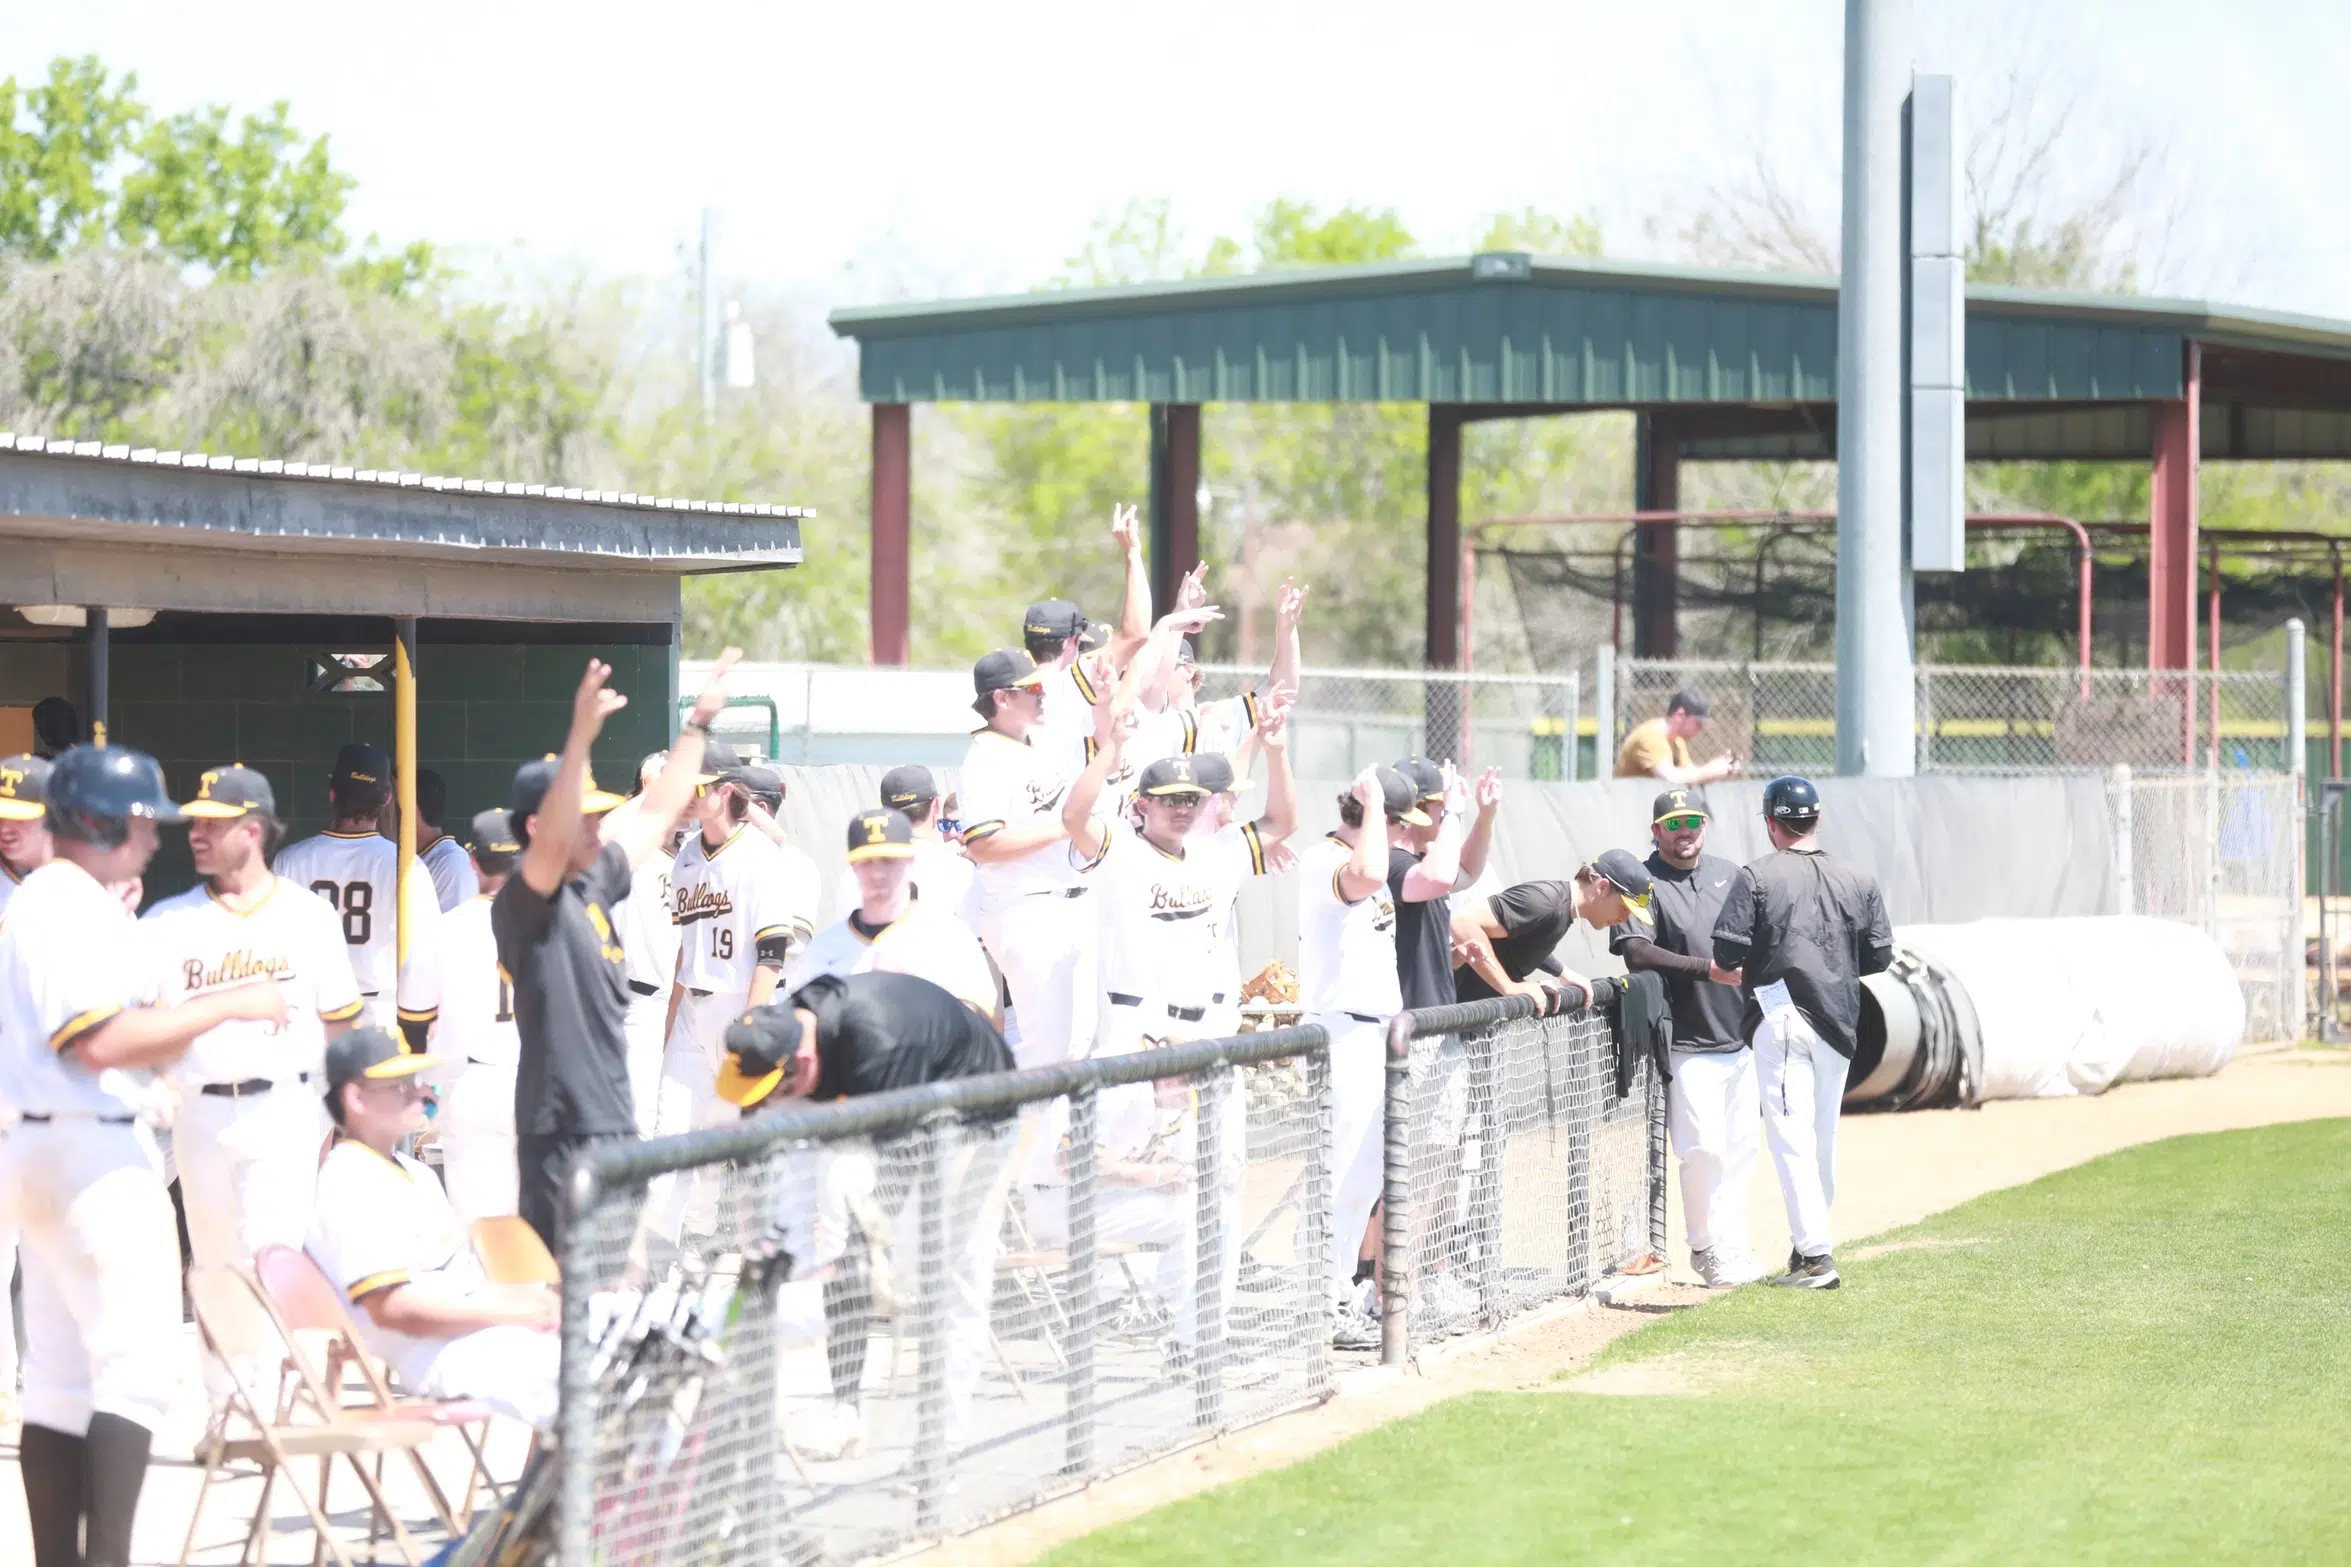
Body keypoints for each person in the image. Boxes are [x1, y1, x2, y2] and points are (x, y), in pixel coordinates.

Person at [0, 744, 287, 1567]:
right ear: (97, 821)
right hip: (86, 1149)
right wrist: (232, 1001)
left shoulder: (63, 898)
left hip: (42, 1144)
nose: (154, 838)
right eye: (140, 822)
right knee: (135, 1372)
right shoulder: (63, 901)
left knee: (58, 1383)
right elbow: (101, 1040)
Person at [492, 651, 739, 1249]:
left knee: (609, 1287)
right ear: (538, 828)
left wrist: (698, 725)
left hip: (610, 1122)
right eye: (586, 816)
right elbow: (553, 839)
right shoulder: (527, 902)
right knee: (566, 1295)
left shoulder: (594, 880)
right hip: (559, 1131)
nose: (599, 825)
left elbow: (657, 810)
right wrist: (580, 737)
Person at [717, 972, 1015, 1462]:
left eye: (774, 1089)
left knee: (950, 1279)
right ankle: (847, 1413)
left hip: (977, 1116)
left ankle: (940, 1454)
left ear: (804, 1063)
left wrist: (871, 1247)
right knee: (842, 1258)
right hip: (896, 1109)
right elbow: (760, 1128)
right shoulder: (786, 1027)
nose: (768, 1100)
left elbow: (900, 1166)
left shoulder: (877, 1041)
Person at [143, 766, 364, 1279]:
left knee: (272, 1269)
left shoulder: (308, 915)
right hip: (199, 1113)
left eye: (213, 824)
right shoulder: (167, 921)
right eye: (195, 823)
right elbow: (147, 1029)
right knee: (217, 1277)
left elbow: (341, 1026)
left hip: (284, 1109)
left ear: (253, 830)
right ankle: (224, 1364)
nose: (196, 834)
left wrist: (335, 1119)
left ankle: (270, 1364)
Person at [306, 1027, 558, 1429]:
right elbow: (396, 1310)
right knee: (595, 1375)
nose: (419, 1094)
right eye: (401, 1085)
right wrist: (513, 1313)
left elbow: (461, 1279)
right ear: (356, 1098)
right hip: (438, 1352)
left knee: (631, 1348)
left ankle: (553, 1490)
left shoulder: (417, 1173)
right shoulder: (347, 1181)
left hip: (478, 1335)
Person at [1710, 775, 1894, 1291]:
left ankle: (1816, 1260)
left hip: (1783, 1018)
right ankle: (1806, 1250)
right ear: (1816, 819)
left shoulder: (1757, 875)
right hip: (1840, 1020)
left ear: (1772, 823)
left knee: (1790, 1141)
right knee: (1820, 1141)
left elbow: (1726, 953)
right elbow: (1879, 956)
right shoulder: (1857, 877)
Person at [650, 740, 818, 1246]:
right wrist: (671, 1017)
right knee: (670, 1132)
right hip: (692, 1010)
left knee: (737, 1140)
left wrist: (753, 1025)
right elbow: (685, 949)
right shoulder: (684, 855)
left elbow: (771, 952)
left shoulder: (759, 856)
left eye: (694, 788)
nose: (685, 797)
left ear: (723, 792)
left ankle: (749, 1249)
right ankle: (661, 1250)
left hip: (739, 1006)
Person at [1610, 790, 1761, 1288]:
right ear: (1656, 831)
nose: (1684, 830)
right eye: (1673, 823)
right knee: (1702, 1150)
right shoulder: (1642, 881)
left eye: (1693, 820)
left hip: (1737, 1036)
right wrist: (1707, 970)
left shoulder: (1730, 874)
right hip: (1684, 1040)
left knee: (1740, 1151)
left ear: (1706, 826)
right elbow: (1635, 950)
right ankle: (1704, 1245)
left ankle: (1731, 1241)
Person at [1297, 766, 1420, 1348]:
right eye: (1400, 825)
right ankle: (1318, 1305)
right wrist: (1374, 809)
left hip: (1373, 1034)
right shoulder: (1327, 859)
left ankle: (1335, 1298)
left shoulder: (1373, 860)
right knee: (1339, 1174)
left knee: (1362, 1176)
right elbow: (1367, 871)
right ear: (1380, 820)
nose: (1405, 838)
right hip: (1340, 1030)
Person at [957, 647, 1094, 1069]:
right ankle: (1003, 1128)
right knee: (1045, 1053)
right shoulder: (985, 759)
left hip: (1073, 903)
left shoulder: (1035, 745)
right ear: (1001, 698)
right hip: (1026, 909)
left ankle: (1064, 1137)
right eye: (1030, 687)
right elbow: (983, 845)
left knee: (1078, 1047)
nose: (1041, 694)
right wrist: (1063, 827)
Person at [274, 742, 442, 1044]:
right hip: (382, 1018)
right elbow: (428, 956)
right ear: (387, 799)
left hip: (312, 1019)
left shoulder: (291, 860)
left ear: (332, 794)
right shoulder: (406, 866)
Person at [788, 808, 995, 1013]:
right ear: (853, 866)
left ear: (910, 861)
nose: (877, 873)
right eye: (867, 862)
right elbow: (800, 1029)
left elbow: (981, 1024)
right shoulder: (823, 950)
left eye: (889, 861)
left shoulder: (950, 936)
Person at [428, 810, 525, 1222]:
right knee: (534, 1224)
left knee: (476, 1230)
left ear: (473, 860)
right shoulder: (555, 919)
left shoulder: (446, 928)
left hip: (472, 1080)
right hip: (537, 1078)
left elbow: (420, 1019)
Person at [0, 753, 54, 1430]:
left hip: (60, 1102)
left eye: (23, 815)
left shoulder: (81, 896)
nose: (8, 827)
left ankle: (46, 1385)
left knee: (51, 1256)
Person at [1450, 851, 1649, 1010]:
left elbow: (1522, 937)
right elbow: (1463, 923)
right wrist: (1510, 988)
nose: (1624, 919)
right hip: (1448, 1019)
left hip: (1474, 1021)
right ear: (1603, 887)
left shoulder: (1561, 910)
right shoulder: (1545, 902)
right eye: (1624, 907)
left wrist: (1563, 972)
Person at [616, 751, 683, 1136]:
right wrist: (650, 791)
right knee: (638, 1116)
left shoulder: (690, 857)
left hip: (678, 1003)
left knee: (666, 1116)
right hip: (637, 1001)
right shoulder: (633, 849)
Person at [829, 766, 975, 922]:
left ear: (884, 812)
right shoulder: (958, 869)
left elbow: (843, 933)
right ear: (937, 805)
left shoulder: (856, 872)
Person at [1614, 690, 1742, 785]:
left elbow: (1690, 776)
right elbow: (1671, 778)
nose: (1701, 728)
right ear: (1680, 715)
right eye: (1698, 723)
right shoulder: (1650, 736)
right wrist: (1710, 770)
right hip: (1626, 811)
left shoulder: (1677, 740)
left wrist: (1724, 768)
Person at [409, 769, 480, 913]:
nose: (383, 811)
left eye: (390, 804)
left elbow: (455, 932)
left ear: (411, 810)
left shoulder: (452, 863)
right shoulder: (405, 856)